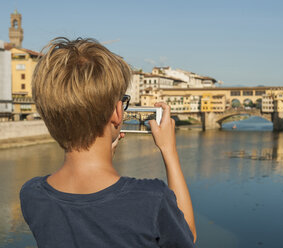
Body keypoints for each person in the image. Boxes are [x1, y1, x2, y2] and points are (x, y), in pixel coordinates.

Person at [19, 37, 196, 248]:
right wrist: (169, 151)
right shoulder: (152, 199)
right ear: (117, 112)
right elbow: (187, 235)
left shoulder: (32, 194)